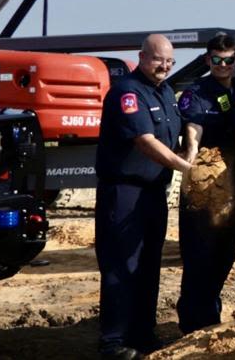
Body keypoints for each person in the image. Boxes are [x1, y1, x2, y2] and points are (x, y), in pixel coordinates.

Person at [95, 34, 188, 359]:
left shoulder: (165, 93)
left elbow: (176, 133)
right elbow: (146, 141)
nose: (163, 66)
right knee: (122, 265)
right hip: (124, 192)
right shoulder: (126, 92)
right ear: (142, 56)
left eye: (169, 61)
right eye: (157, 59)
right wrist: (185, 167)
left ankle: (142, 335)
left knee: (149, 265)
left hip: (153, 194)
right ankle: (114, 341)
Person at [176, 33, 235, 334]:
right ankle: (194, 325)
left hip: (233, 185)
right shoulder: (197, 92)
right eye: (216, 60)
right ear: (208, 60)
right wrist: (190, 163)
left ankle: (210, 316)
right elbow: (193, 130)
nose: (222, 65)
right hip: (204, 187)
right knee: (199, 257)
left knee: (226, 252)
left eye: (228, 60)